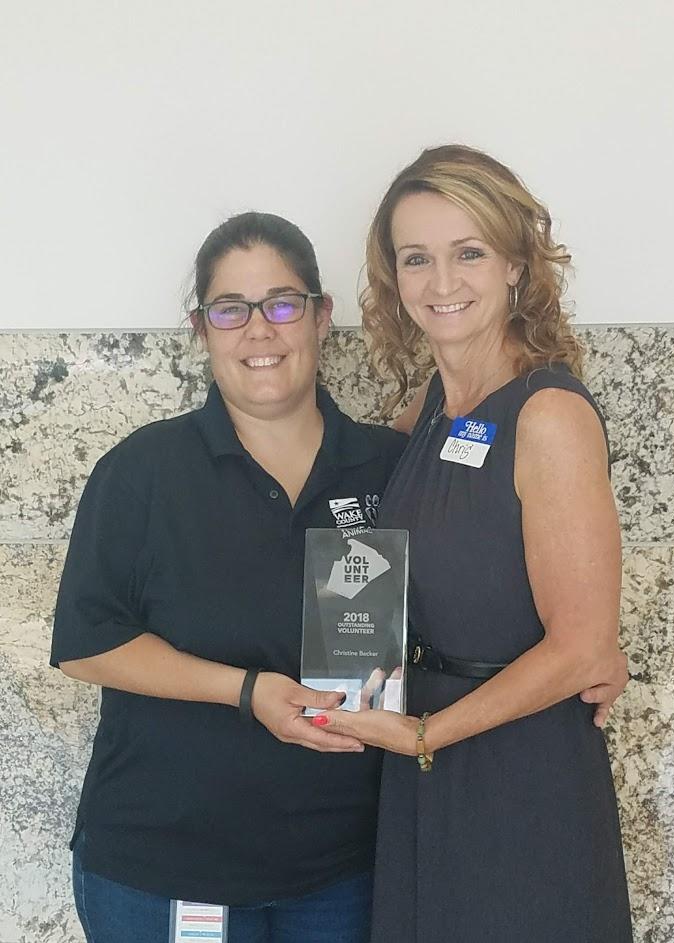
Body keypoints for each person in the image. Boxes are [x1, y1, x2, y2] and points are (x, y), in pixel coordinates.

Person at [50, 212, 408, 943]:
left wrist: (576, 648)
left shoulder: (386, 466)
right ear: (202, 327)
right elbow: (86, 642)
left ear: (320, 317)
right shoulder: (143, 471)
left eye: (283, 303)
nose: (260, 330)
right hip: (164, 871)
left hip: (344, 870)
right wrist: (247, 690)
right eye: (230, 309)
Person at [314, 145, 633, 941]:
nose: (442, 283)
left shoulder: (548, 415)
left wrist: (425, 736)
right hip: (424, 759)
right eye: (416, 258)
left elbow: (584, 645)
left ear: (517, 264)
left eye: (469, 253)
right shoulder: (431, 403)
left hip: (517, 768)